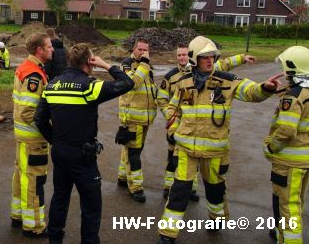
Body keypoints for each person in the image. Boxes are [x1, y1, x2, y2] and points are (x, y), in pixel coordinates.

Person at [158, 36, 282, 243]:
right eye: (205, 57)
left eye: (212, 57)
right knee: (179, 191)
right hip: (186, 150)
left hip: (215, 152)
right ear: (194, 59)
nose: (209, 60)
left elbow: (251, 92)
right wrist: (174, 128)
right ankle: (167, 233)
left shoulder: (227, 80)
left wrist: (266, 88)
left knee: (215, 191)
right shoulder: (184, 82)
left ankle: (216, 220)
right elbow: (172, 107)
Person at [35, 44, 134, 244]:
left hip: (60, 151)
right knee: (91, 204)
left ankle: (55, 239)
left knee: (60, 198)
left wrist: (55, 140)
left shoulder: (52, 85)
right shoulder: (90, 86)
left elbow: (39, 119)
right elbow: (127, 82)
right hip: (82, 155)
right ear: (89, 62)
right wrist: (106, 65)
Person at [156, 44, 257, 200]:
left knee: (194, 163)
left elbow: (223, 64)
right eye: (179, 55)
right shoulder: (172, 76)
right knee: (174, 160)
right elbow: (163, 100)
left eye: (184, 54)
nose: (182, 58)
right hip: (179, 127)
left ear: (190, 56)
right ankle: (169, 187)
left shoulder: (202, 68)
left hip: (198, 130)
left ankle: (192, 189)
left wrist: (242, 58)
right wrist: (171, 121)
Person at [263, 46, 309, 243]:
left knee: (287, 206)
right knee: (296, 202)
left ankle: (290, 239)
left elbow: (287, 131)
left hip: (289, 162)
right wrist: (282, 90)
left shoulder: (293, 97)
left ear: (291, 68)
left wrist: (271, 147)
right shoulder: (303, 92)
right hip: (304, 161)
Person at [10, 33, 54, 238]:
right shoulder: (34, 75)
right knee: (34, 181)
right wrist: (50, 128)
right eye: (49, 46)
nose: (52, 49)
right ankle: (34, 226)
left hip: (22, 136)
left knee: (22, 176)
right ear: (39, 50)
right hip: (33, 139)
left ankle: (18, 215)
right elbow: (28, 112)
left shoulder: (25, 68)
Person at [116, 38, 156, 203]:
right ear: (134, 49)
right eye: (140, 49)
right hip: (132, 118)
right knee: (134, 153)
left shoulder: (148, 67)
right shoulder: (126, 64)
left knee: (133, 150)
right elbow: (133, 83)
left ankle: (122, 177)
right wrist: (145, 64)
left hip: (145, 119)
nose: (143, 53)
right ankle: (136, 188)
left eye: (146, 50)